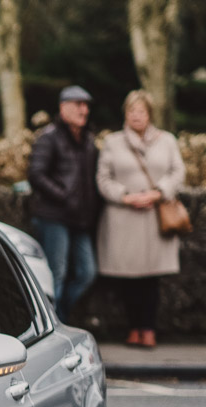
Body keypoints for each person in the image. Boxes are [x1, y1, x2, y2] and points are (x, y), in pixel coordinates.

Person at [95, 89, 186, 348]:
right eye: (131, 111)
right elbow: (102, 179)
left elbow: (178, 171)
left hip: (154, 218)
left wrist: (159, 193)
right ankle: (133, 328)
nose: (136, 116)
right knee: (128, 278)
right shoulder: (112, 142)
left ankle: (149, 328)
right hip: (123, 217)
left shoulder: (166, 140)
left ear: (149, 114)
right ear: (125, 114)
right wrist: (126, 197)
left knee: (151, 278)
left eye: (141, 111)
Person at [27, 85, 100, 322]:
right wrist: (64, 196)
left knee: (87, 273)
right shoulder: (49, 137)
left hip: (81, 220)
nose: (84, 110)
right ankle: (52, 324)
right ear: (63, 108)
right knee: (55, 274)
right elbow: (36, 174)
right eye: (78, 104)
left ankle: (60, 317)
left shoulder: (88, 141)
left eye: (86, 105)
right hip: (54, 216)